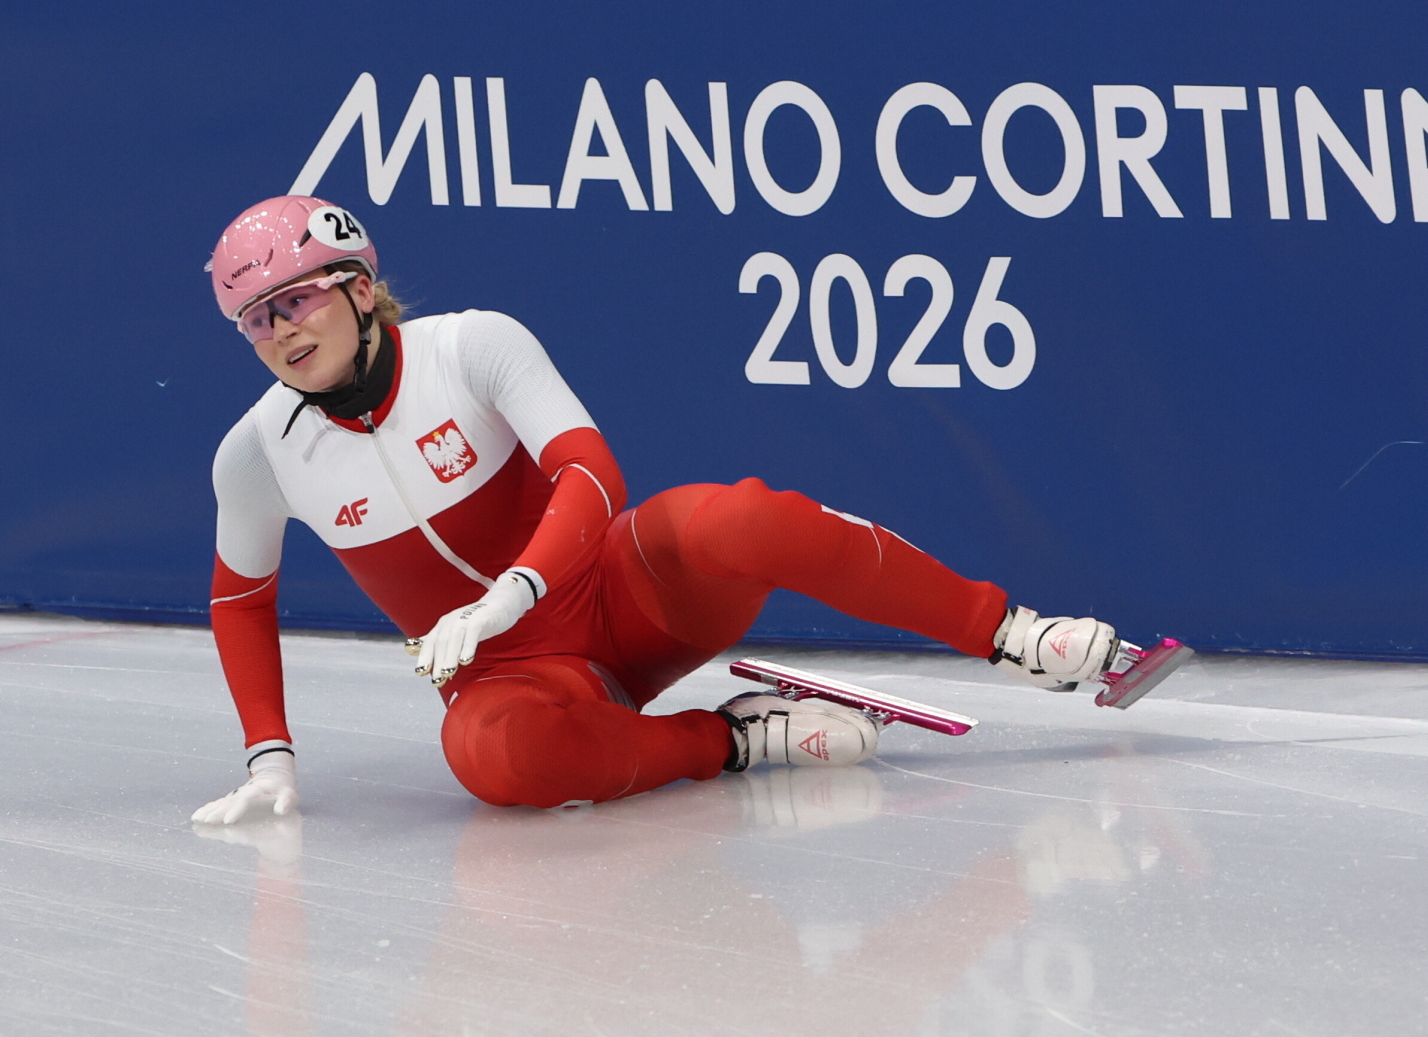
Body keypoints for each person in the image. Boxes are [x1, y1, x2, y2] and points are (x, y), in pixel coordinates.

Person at [191, 195, 1125, 826]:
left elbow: (592, 475)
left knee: (738, 521)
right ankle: (728, 738)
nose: (281, 333)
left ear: (359, 287)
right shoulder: (258, 451)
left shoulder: (471, 346)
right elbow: (240, 600)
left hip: (626, 595)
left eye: (297, 300)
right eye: (256, 320)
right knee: (485, 756)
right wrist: (267, 753)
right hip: (525, 679)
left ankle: (1010, 633)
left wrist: (510, 592)